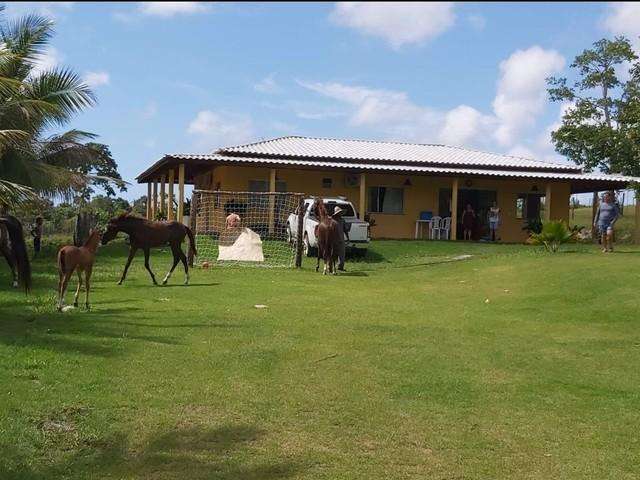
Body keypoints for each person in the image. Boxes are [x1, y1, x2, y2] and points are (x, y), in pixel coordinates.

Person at [332, 206, 350, 271]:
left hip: (341, 240)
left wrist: (348, 238)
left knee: (342, 254)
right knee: (332, 254)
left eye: (340, 212)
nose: (340, 214)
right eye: (339, 212)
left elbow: (345, 230)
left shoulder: (342, 220)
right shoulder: (332, 221)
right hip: (333, 240)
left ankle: (340, 267)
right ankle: (330, 267)